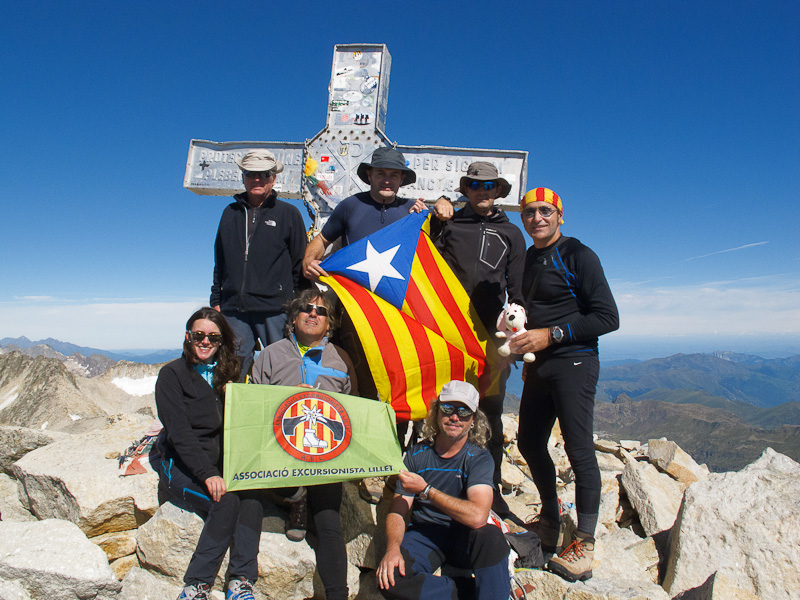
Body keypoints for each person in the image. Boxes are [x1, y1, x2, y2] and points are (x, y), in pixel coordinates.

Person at [508, 188, 619, 582]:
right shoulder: (529, 257)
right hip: (539, 365)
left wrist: (549, 336)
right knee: (529, 442)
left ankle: (584, 544)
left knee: (578, 447)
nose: (537, 218)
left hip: (574, 361)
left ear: (560, 216)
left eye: (545, 211)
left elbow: (608, 317)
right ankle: (551, 520)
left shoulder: (578, 255)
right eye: (530, 212)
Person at [430, 162, 526, 509]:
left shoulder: (513, 234)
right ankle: (436, 480)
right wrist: (437, 209)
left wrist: (514, 342)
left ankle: (490, 487)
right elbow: (424, 258)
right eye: (475, 185)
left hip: (490, 336)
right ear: (466, 189)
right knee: (442, 407)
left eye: (489, 186)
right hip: (446, 333)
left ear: (498, 190)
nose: (482, 191)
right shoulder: (449, 223)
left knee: (490, 413)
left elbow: (517, 292)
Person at [251, 288, 356, 600]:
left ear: (329, 323)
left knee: (328, 523)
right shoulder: (270, 354)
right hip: (280, 450)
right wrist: (284, 399)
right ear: (293, 319)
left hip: (325, 456)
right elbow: (254, 406)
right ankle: (295, 497)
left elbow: (353, 410)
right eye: (307, 309)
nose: (313, 314)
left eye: (321, 311)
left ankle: (337, 594)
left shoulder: (341, 359)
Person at [155, 308, 262, 600]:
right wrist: (209, 474)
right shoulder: (171, 375)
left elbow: (253, 413)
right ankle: (197, 585)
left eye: (213, 337)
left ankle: (241, 581)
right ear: (188, 337)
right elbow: (179, 434)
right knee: (225, 501)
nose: (205, 342)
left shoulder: (230, 374)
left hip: (222, 461)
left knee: (251, 498)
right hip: (181, 465)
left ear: (221, 341)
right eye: (199, 335)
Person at [376, 380, 511, 600]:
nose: (455, 417)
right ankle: (473, 593)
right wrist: (392, 549)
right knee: (391, 578)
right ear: (437, 412)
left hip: (465, 535)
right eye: (448, 408)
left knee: (491, 537)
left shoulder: (478, 458)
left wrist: (427, 490)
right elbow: (398, 510)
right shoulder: (416, 456)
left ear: (474, 419)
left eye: (464, 411)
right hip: (426, 534)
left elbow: (478, 517)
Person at [211, 149, 308, 380]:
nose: (257, 179)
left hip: (276, 310)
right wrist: (216, 300)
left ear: (273, 178)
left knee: (285, 370)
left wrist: (297, 304)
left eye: (264, 174)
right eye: (250, 174)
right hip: (234, 310)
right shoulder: (230, 213)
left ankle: (285, 415)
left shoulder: (289, 214)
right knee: (231, 371)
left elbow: (299, 263)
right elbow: (220, 260)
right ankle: (228, 415)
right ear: (242, 177)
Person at [302, 146, 425, 280]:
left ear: (401, 179)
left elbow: (433, 248)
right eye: (380, 173)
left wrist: (435, 212)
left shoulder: (414, 211)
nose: (387, 181)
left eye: (393, 175)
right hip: (351, 297)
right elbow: (322, 239)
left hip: (395, 298)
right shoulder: (350, 206)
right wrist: (308, 259)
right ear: (369, 175)